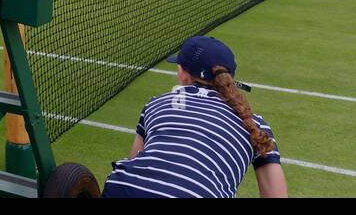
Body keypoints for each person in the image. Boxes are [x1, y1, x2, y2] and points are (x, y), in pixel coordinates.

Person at [102, 35, 286, 199]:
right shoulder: (257, 126)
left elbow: (136, 160)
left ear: (182, 73)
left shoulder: (156, 103)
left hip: (124, 188)